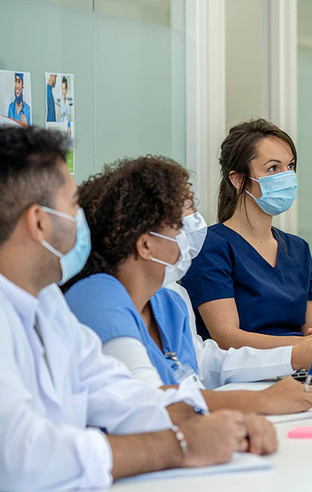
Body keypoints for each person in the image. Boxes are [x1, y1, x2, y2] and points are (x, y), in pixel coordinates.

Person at [0, 126, 278, 490]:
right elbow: (24, 459)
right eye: (73, 204)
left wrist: (218, 421)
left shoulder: (47, 303)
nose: (81, 217)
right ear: (39, 222)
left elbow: (119, 392)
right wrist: (179, 445)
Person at [65, 156, 312, 404]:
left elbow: (208, 363)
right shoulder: (97, 297)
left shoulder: (169, 296)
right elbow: (149, 402)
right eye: (179, 225)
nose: (191, 237)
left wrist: (294, 357)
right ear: (145, 244)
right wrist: (257, 402)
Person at [182, 118, 312, 368]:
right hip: (243, 379)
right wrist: (301, 347)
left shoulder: (298, 249)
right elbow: (226, 338)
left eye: (290, 166)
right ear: (238, 179)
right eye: (272, 168)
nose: (286, 176)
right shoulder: (210, 246)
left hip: (299, 374)